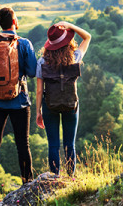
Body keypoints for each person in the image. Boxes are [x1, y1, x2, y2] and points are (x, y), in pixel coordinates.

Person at [0, 7, 37, 201]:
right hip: (19, 101)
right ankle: (27, 183)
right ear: (14, 21)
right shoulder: (24, 43)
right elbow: (34, 71)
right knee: (23, 144)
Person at [36, 21, 91, 176]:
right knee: (69, 144)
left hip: (49, 105)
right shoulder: (75, 57)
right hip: (71, 105)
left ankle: (54, 177)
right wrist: (70, 25)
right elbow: (87, 37)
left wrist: (38, 112)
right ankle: (71, 177)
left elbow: (39, 91)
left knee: (53, 144)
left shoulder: (42, 62)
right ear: (68, 42)